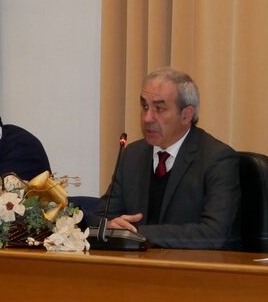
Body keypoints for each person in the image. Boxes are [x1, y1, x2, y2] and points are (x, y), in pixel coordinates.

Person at [94, 68, 241, 249]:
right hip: (135, 270)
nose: (147, 118)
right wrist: (110, 226)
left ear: (186, 115)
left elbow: (213, 233)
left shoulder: (216, 159)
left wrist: (136, 233)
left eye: (159, 109)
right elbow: (101, 217)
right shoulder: (133, 155)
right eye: (145, 107)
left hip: (190, 271)